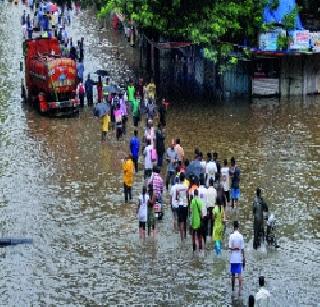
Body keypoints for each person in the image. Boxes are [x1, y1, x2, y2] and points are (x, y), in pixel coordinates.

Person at [229, 221, 245, 294]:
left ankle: (232, 289)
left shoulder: (231, 236)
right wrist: (244, 257)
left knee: (232, 274)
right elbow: (242, 249)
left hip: (233, 258)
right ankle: (239, 291)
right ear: (238, 227)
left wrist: (234, 248)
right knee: (239, 274)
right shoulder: (241, 236)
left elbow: (230, 248)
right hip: (238, 258)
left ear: (233, 227)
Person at [175, 173, 188, 241]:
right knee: (185, 221)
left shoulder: (177, 187)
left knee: (181, 222)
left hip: (180, 205)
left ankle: (182, 238)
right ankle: (185, 235)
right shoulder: (186, 186)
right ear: (184, 178)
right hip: (185, 205)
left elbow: (177, 197)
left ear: (179, 178)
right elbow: (187, 196)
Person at [190, 189, 203, 254]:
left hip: (193, 222)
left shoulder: (192, 201)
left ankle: (194, 249)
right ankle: (200, 250)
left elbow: (190, 211)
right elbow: (201, 213)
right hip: (199, 222)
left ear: (193, 194)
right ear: (197, 194)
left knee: (193, 236)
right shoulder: (200, 201)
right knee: (199, 236)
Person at [198, 182, 208, 249]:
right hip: (205, 213)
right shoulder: (206, 191)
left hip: (198, 214)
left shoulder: (195, 191)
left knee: (199, 231)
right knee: (205, 229)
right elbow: (207, 203)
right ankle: (205, 243)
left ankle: (200, 246)